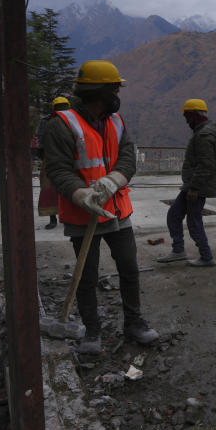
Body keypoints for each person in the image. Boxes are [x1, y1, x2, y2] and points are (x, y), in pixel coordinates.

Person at [43, 60, 159, 354]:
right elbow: (57, 170)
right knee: (86, 274)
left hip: (118, 209)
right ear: (100, 91)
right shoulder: (63, 124)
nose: (119, 92)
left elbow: (128, 157)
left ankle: (134, 323)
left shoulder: (117, 122)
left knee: (129, 268)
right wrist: (82, 194)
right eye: (115, 87)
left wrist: (112, 182)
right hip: (84, 214)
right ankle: (92, 331)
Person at [157, 99, 216, 267]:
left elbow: (206, 164)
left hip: (196, 187)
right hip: (193, 185)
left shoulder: (204, 135)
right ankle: (178, 250)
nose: (187, 121)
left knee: (193, 221)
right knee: (175, 215)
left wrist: (195, 188)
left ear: (196, 116)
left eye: (188, 117)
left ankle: (206, 256)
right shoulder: (203, 132)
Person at [35, 97, 71, 229]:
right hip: (53, 158)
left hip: (65, 158)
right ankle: (53, 217)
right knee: (50, 188)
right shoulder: (46, 122)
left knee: (67, 187)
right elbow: (39, 140)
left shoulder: (72, 121)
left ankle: (64, 217)